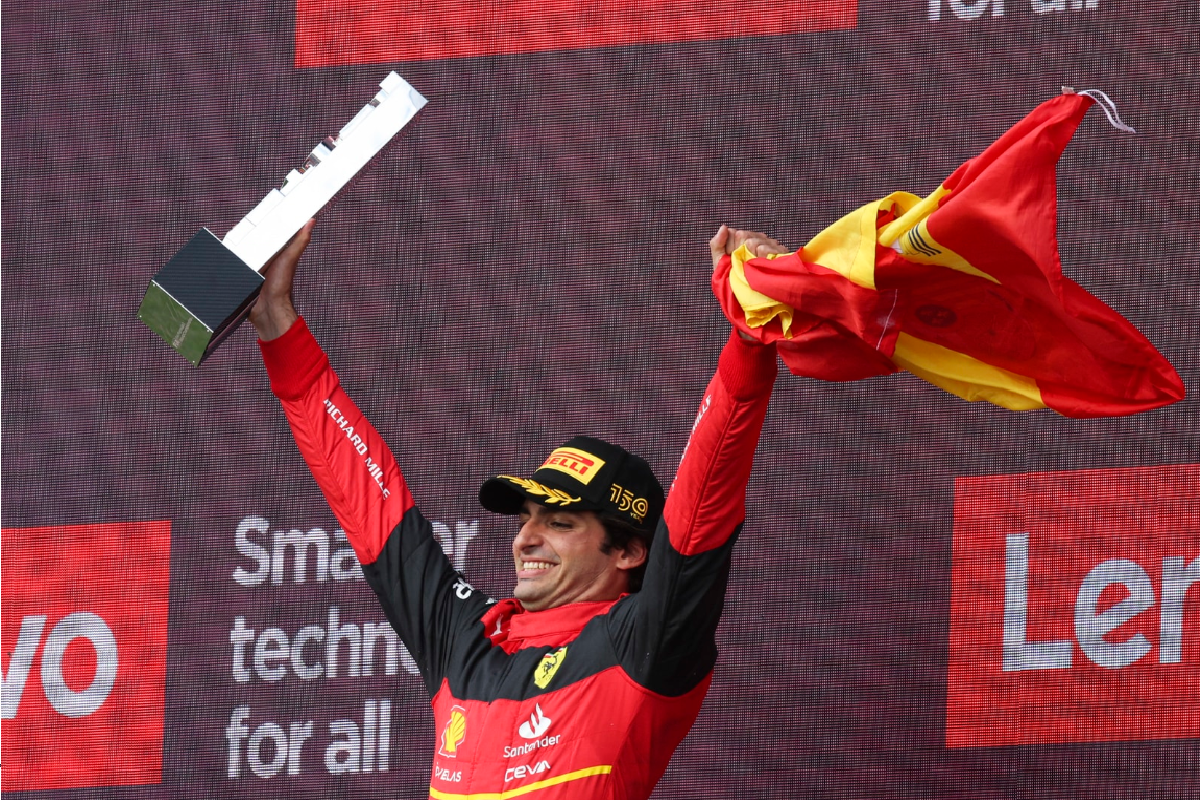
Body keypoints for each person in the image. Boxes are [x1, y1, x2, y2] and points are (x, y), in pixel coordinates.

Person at [250, 220, 786, 799]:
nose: (526, 538)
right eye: (528, 516)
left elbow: (701, 507)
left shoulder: (641, 642)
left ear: (630, 551)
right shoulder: (468, 637)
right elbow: (367, 499)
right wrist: (276, 322)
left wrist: (748, 343)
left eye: (559, 522)